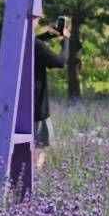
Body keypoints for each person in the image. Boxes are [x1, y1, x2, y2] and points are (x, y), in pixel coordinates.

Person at [32, 18, 72, 170]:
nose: (38, 22)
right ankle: (35, 176)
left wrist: (48, 35)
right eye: (36, 18)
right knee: (39, 147)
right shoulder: (36, 46)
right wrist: (66, 40)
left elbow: (29, 42)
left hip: (14, 108)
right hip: (36, 108)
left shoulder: (5, 41)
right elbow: (60, 62)